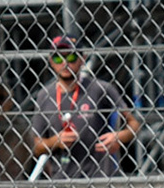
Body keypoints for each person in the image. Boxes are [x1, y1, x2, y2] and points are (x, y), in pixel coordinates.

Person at [31, 35, 140, 178]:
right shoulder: (44, 95)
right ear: (51, 61)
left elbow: (134, 123)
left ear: (82, 59)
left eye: (71, 58)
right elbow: (36, 146)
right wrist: (55, 141)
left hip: (98, 180)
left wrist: (118, 137)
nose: (65, 63)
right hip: (61, 183)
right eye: (58, 58)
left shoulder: (100, 89)